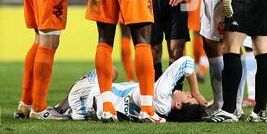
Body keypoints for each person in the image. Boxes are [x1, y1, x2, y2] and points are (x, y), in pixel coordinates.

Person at [54, 56, 207, 122]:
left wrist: (196, 92)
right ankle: (68, 110)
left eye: (188, 97)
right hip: (87, 111)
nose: (187, 93)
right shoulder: (163, 111)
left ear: (179, 105)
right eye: (190, 94)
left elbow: (186, 62)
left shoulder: (161, 96)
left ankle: (60, 108)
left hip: (85, 96)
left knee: (112, 71)